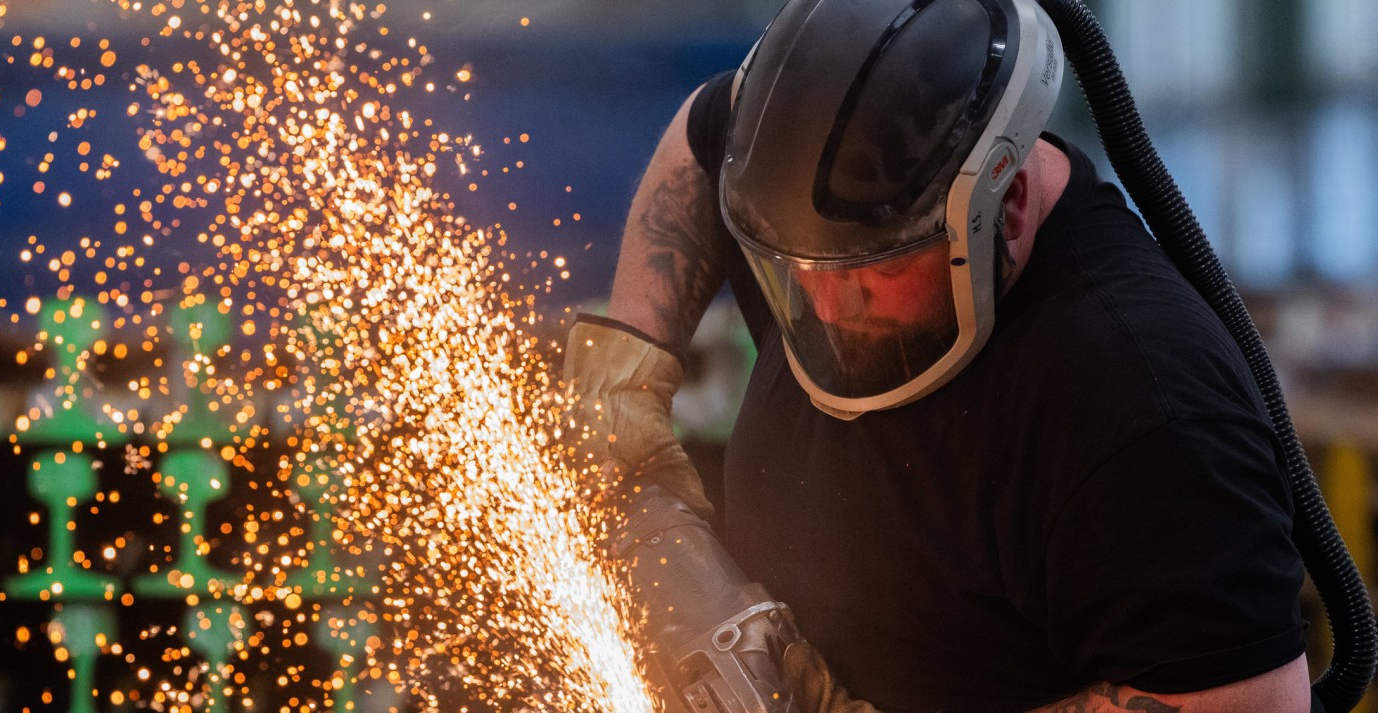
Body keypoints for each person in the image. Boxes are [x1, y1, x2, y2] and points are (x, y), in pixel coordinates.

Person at [561, 1, 1313, 711]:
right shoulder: (819, 196)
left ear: (1002, 201)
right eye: (798, 267)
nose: (826, 306)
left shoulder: (1139, 403)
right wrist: (621, 382)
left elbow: (1248, 699)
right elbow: (706, 136)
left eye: (875, 270)